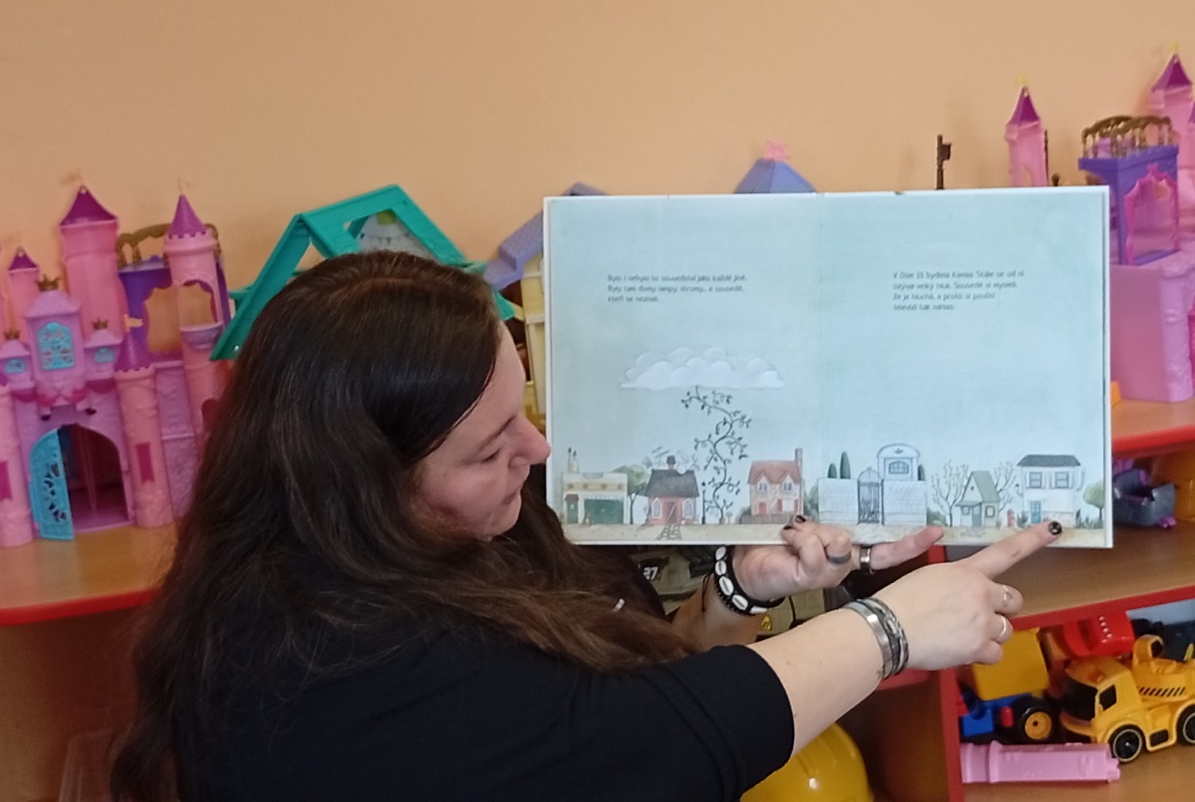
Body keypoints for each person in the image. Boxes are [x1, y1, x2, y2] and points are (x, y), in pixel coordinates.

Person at [109, 250, 1059, 802]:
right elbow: (649, 743)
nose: (536, 449)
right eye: (489, 448)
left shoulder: (458, 541)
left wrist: (740, 589)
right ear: (363, 485)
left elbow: (630, 687)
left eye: (522, 410)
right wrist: (890, 629)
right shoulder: (322, 663)